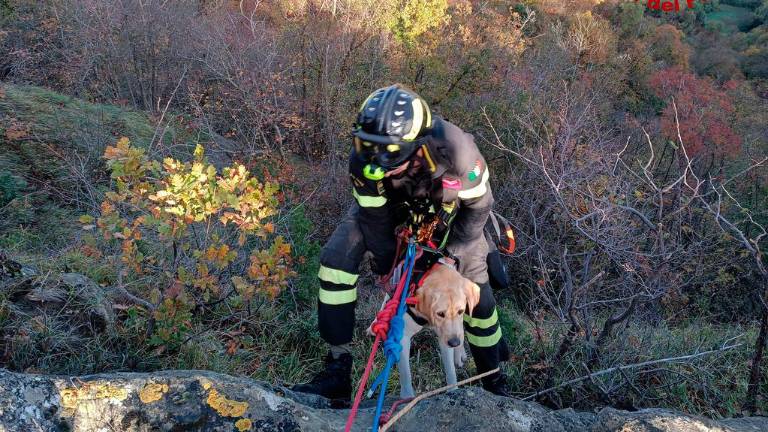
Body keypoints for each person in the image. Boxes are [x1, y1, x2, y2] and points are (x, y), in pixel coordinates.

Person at [293, 84, 511, 402]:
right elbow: (373, 217)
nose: (376, 164)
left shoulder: (458, 152)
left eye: (389, 155)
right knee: (336, 261)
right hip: (391, 211)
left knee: (479, 294)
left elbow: (478, 208)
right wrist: (387, 268)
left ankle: (493, 380)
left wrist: (450, 259)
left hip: (452, 219)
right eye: (369, 151)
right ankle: (337, 369)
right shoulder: (364, 161)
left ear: (417, 144)